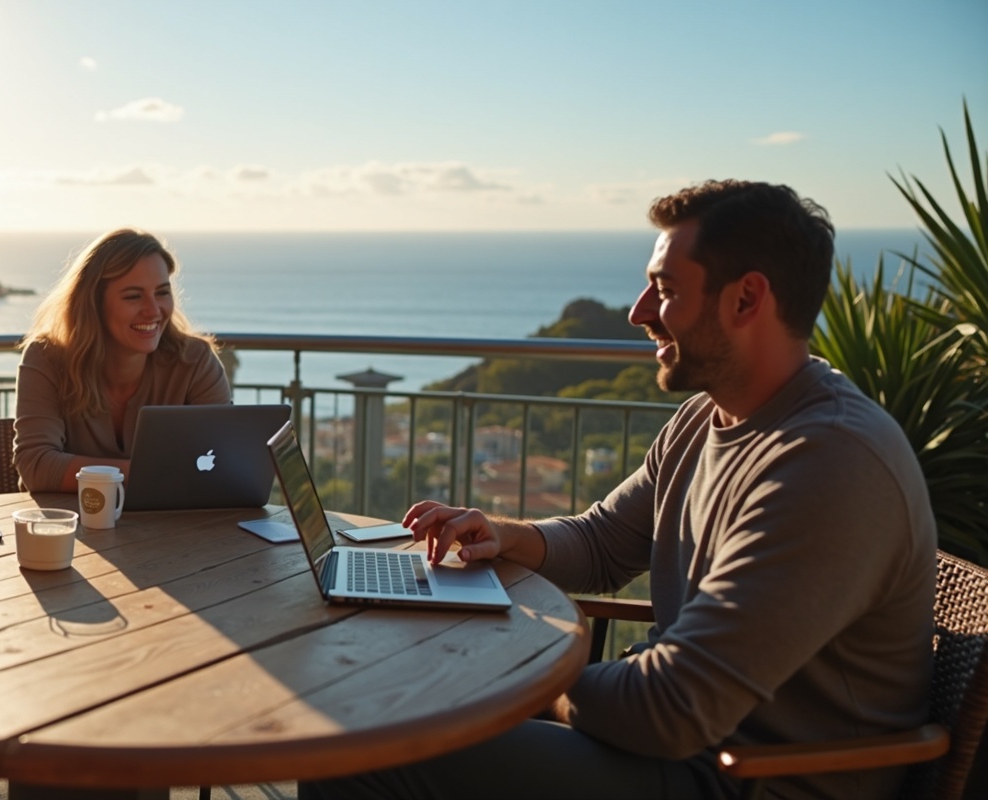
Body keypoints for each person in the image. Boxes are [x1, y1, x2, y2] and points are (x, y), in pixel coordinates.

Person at [301, 180, 937, 800]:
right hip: (683, 749)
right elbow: (604, 542)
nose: (638, 313)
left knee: (359, 748)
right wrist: (504, 536)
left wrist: (510, 675)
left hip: (744, 774)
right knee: (385, 710)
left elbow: (670, 708)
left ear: (746, 300)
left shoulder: (828, 464)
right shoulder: (705, 419)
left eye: (663, 290)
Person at [14, 228, 231, 492]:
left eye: (162, 292)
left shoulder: (195, 361)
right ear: (93, 303)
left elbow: (225, 465)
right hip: (69, 529)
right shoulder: (46, 357)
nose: (153, 311)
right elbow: (36, 467)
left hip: (174, 529)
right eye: (133, 296)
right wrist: (161, 473)